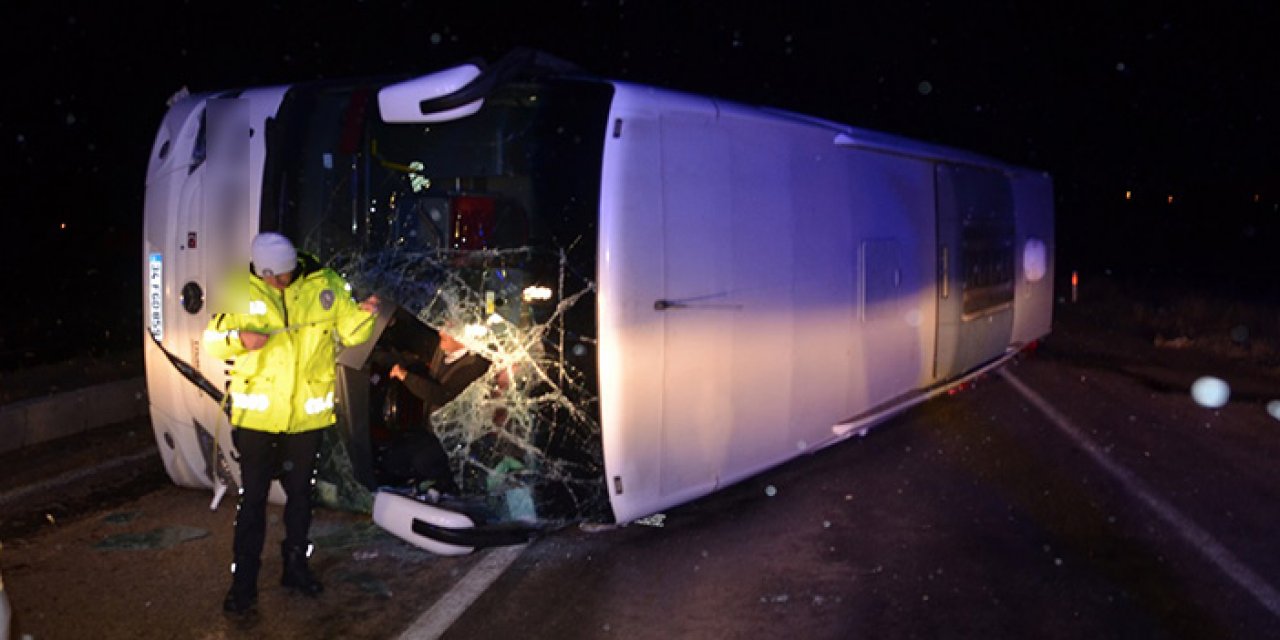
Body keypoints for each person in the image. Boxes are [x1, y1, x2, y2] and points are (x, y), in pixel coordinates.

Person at [204, 232, 378, 615]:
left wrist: (365, 316)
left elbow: (350, 332)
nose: (281, 282)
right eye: (275, 278)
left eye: (286, 275)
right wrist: (238, 337)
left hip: (306, 418)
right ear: (261, 271)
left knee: (301, 497)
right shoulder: (236, 287)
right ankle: (243, 585)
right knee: (253, 501)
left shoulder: (325, 284)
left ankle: (296, 566)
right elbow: (213, 340)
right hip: (257, 419)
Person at [375, 318, 490, 495]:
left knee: (421, 461)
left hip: (454, 437)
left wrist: (405, 376)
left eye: (448, 328)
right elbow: (416, 353)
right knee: (391, 458)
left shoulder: (474, 364)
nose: (441, 332)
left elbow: (442, 395)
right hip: (429, 428)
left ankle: (445, 488)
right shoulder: (442, 349)